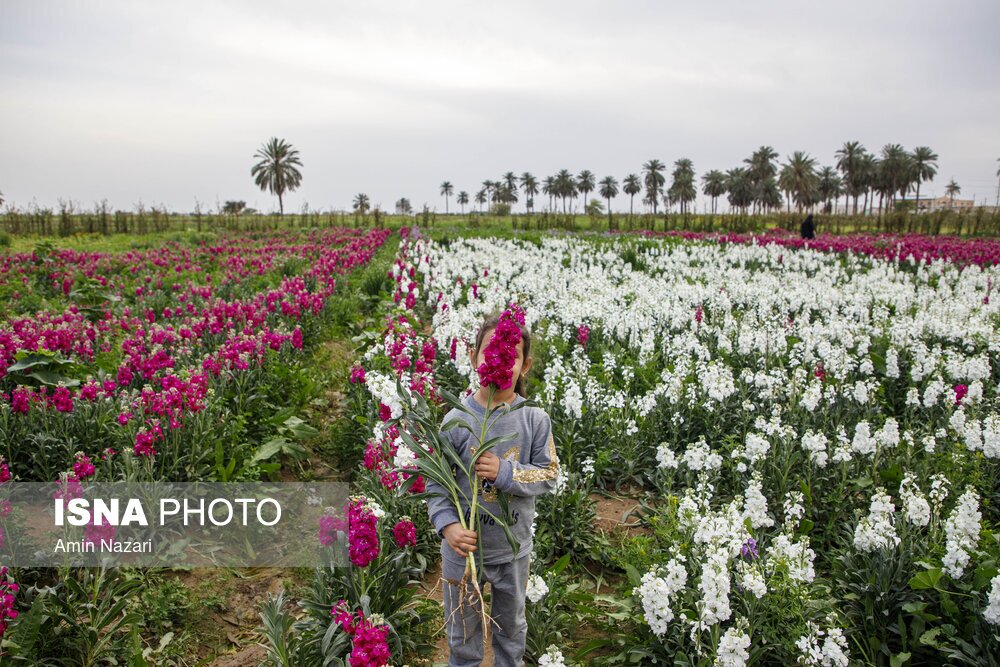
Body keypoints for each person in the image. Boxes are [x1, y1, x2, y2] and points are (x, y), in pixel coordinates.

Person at [425, 313, 559, 667]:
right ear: (472, 357)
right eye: (490, 352)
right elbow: (437, 482)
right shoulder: (455, 419)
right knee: (462, 635)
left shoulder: (534, 419)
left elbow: (549, 475)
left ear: (525, 366)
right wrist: (448, 526)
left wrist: (506, 472)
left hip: (511, 553)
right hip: (462, 554)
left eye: (510, 356)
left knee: (511, 630)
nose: (499, 362)